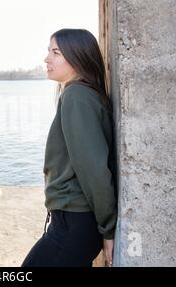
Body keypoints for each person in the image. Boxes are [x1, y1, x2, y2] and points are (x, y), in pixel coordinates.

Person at [22, 29, 117, 267]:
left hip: (75, 223)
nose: (47, 59)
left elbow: (94, 169)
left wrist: (108, 230)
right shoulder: (79, 94)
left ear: (77, 57)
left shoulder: (77, 96)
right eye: (48, 51)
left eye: (56, 53)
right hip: (71, 221)